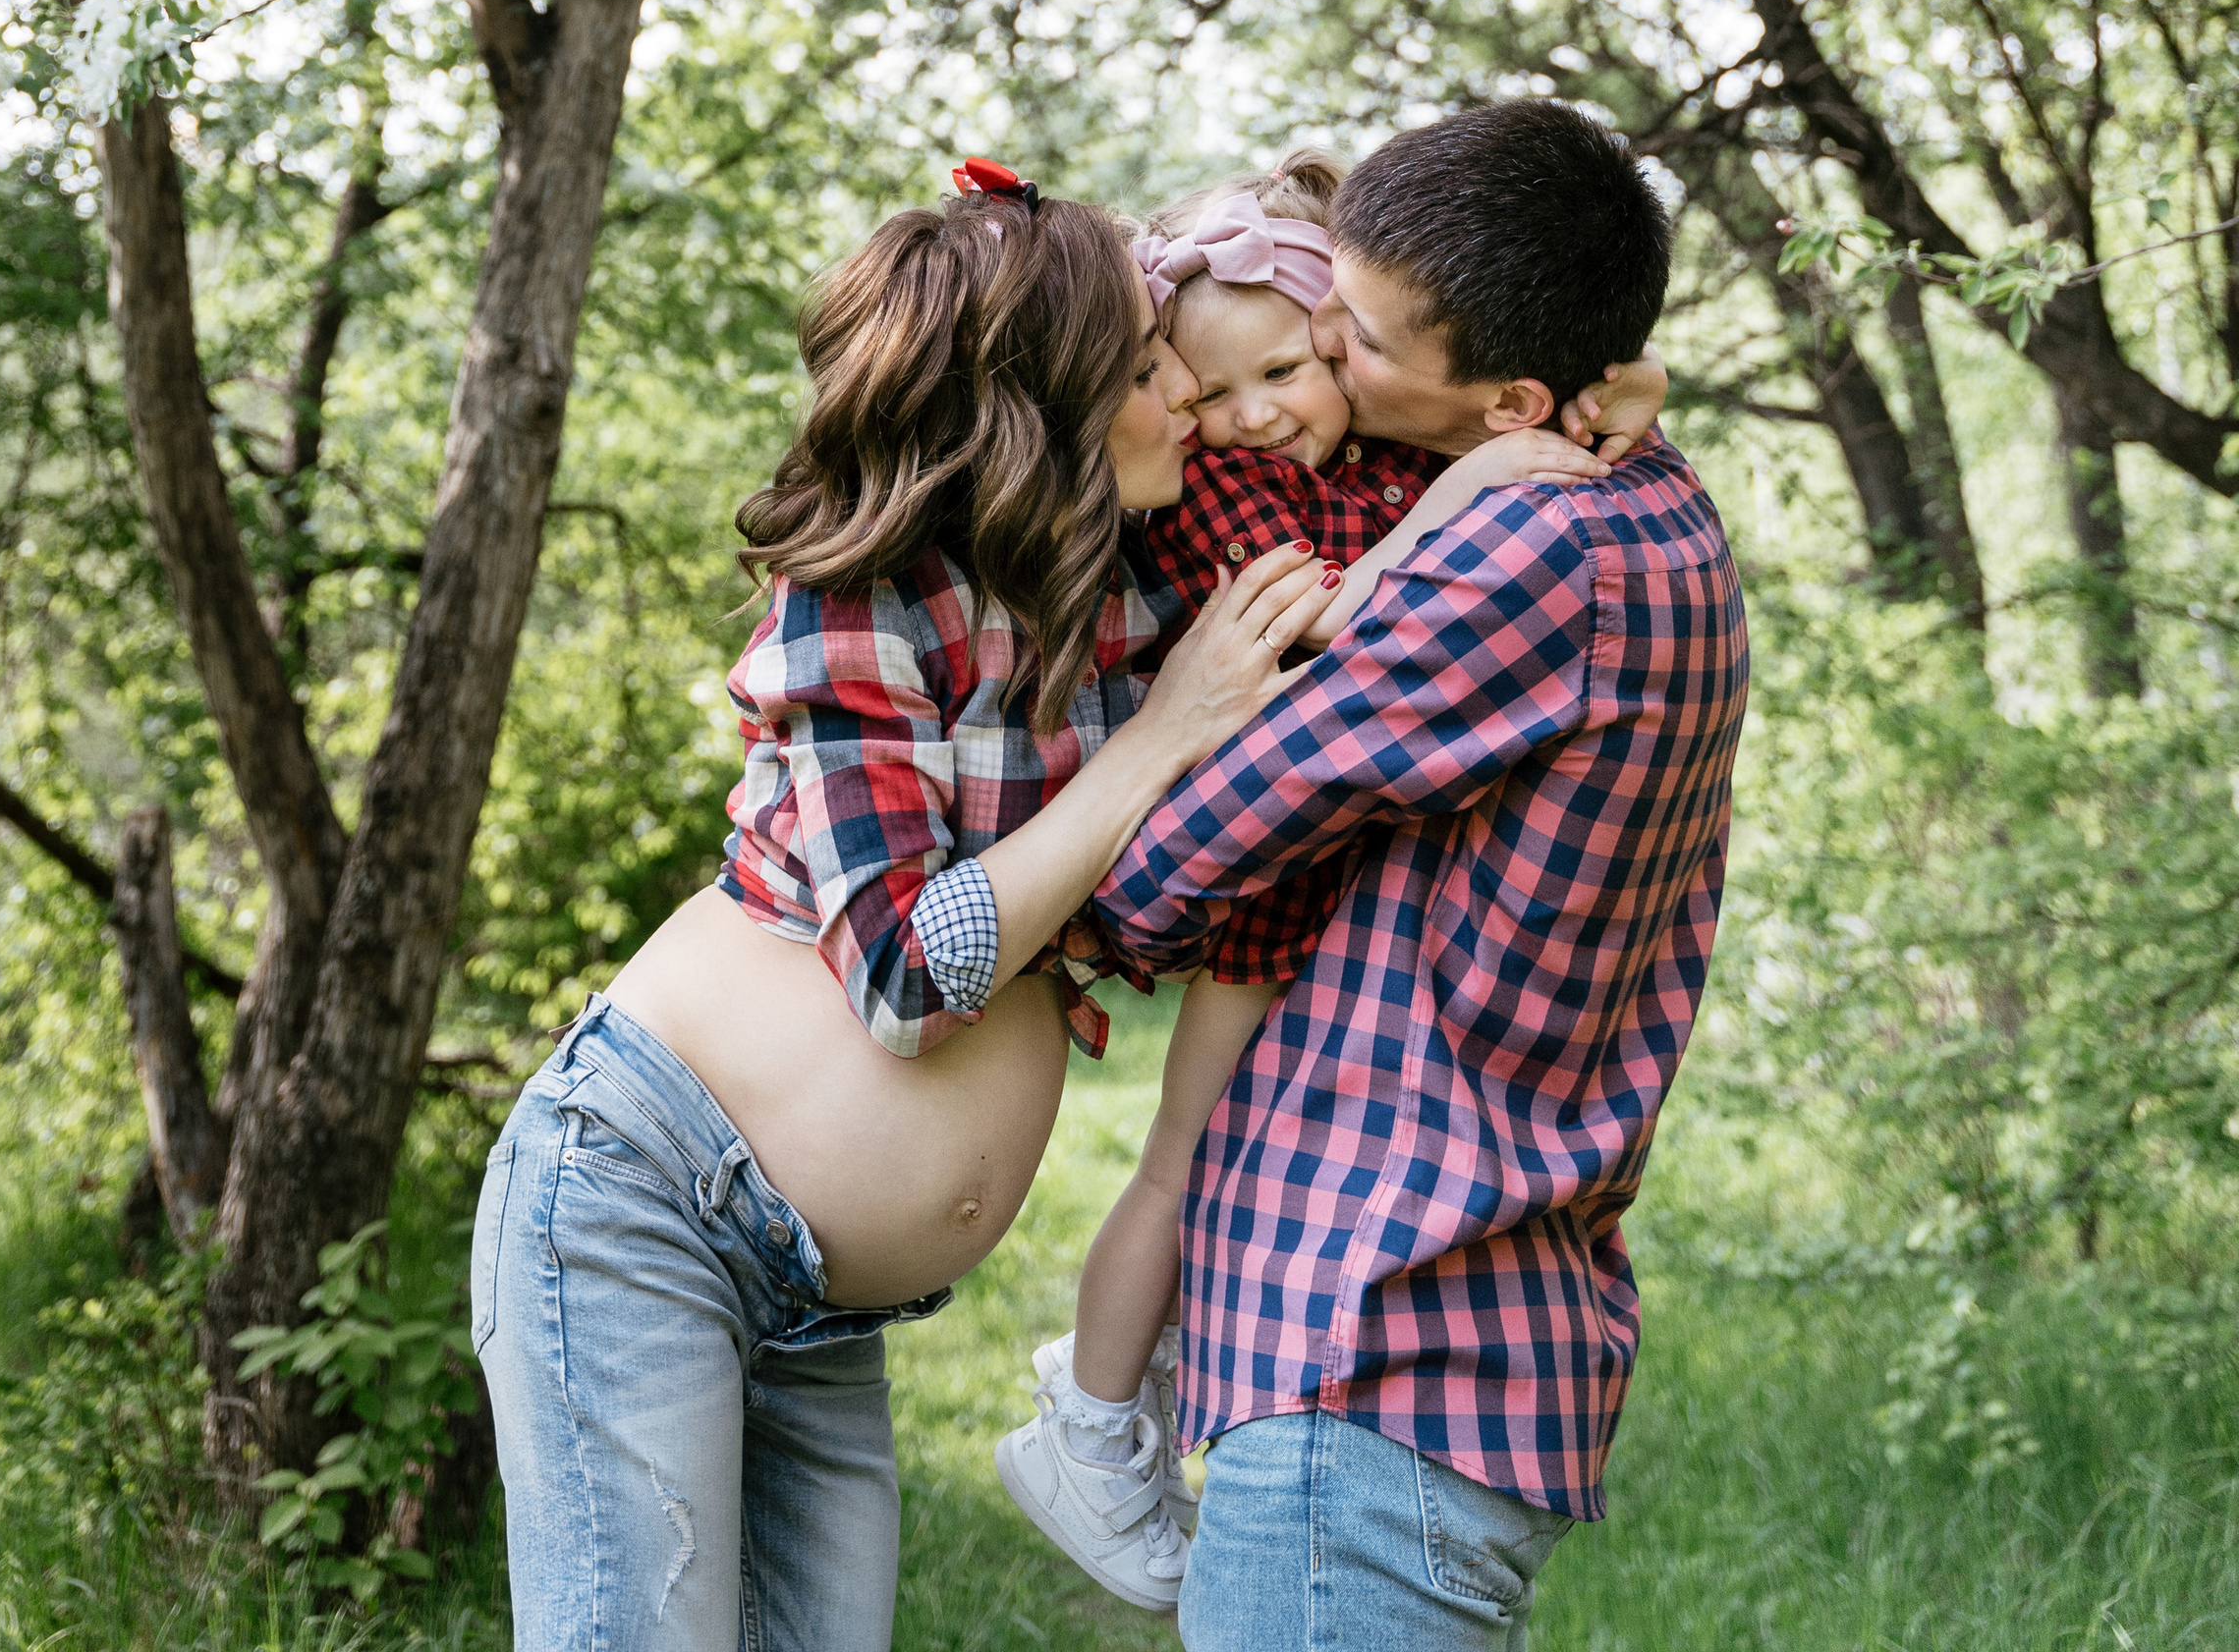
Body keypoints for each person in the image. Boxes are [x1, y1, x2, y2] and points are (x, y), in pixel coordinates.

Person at [471, 155, 1661, 1652]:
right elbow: (906, 976)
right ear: (1051, 405)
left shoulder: (1130, 585)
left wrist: (1594, 388)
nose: (1205, 407)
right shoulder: (863, 603)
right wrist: (1166, 735)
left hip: (817, 1286)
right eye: (1158, 373)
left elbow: (1368, 445)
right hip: (648, 1204)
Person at [1093, 102, 1750, 1652]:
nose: (1319, 342)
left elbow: (1167, 875)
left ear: (1512, 395)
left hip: (1379, 1340)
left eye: (1359, 335)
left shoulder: (1522, 554)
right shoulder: (1641, 491)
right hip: (1452, 1336)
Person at [993, 153, 1617, 1610]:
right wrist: (1477, 492)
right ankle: (1082, 1420)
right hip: (1268, 906)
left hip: (1358, 896)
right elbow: (1327, 625)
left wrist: (1591, 408)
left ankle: (1139, 1376)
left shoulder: (1380, 458)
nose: (1255, 412)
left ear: (1339, 335)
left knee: (1249, 1164)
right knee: (1181, 1156)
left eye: (1287, 366)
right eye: (1208, 395)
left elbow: (1526, 405)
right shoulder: (1231, 491)